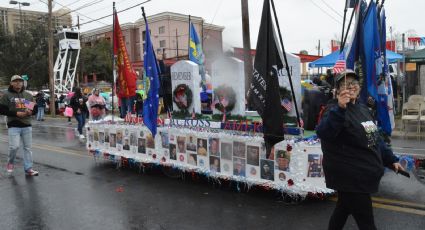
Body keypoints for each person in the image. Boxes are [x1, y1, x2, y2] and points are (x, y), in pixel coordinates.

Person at [316, 69, 403, 230]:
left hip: (362, 176)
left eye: (354, 83)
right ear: (338, 89)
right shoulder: (333, 109)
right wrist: (340, 108)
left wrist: (391, 160)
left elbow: (375, 138)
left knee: (342, 210)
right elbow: (324, 132)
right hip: (351, 178)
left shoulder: (362, 109)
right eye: (346, 84)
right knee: (367, 224)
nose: (351, 87)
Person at [0, 75, 39, 176]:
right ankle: (10, 163)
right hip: (13, 125)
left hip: (26, 125)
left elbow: (34, 109)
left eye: (20, 81)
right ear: (11, 83)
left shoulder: (27, 95)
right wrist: (16, 114)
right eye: (15, 81)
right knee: (14, 147)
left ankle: (28, 168)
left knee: (28, 148)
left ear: (23, 83)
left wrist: (30, 112)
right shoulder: (7, 95)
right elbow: (2, 110)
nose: (18, 83)